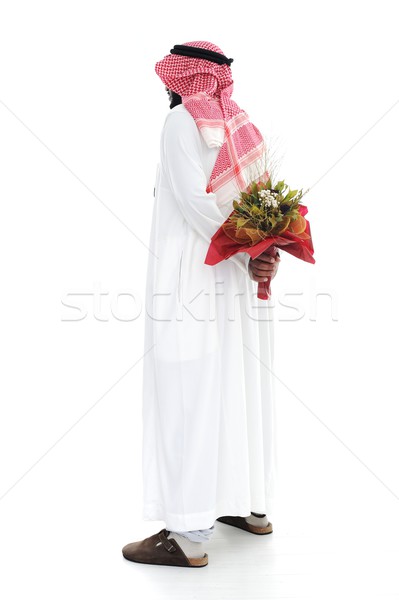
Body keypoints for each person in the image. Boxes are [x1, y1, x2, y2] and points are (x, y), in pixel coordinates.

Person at [122, 41, 280, 568]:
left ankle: (187, 532)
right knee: (235, 380)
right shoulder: (243, 127)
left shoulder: (180, 123)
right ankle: (248, 507)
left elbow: (193, 202)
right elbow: (263, 202)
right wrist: (260, 252)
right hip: (235, 274)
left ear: (182, 78)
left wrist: (243, 249)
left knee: (186, 388)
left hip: (192, 270)